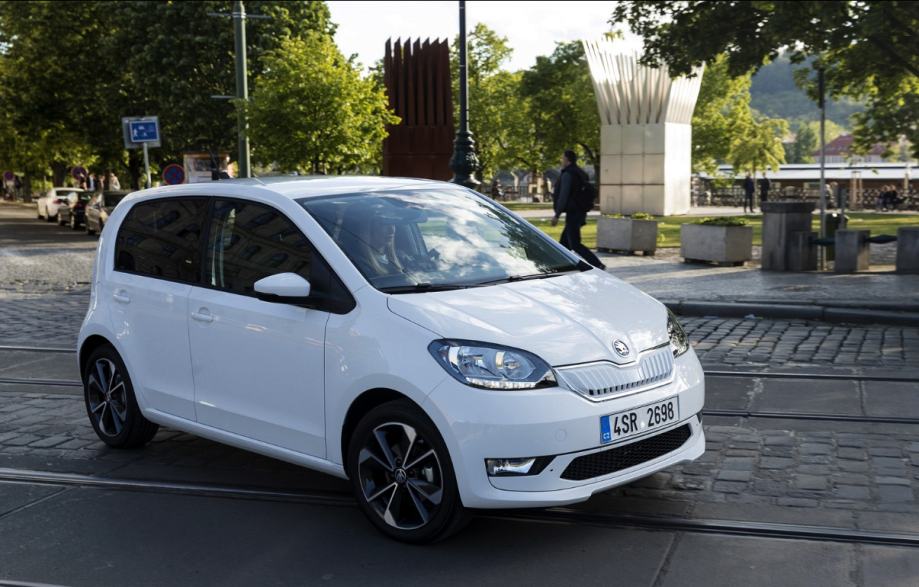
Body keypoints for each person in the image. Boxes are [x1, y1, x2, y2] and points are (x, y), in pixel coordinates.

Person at [551, 149, 605, 269]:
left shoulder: (568, 174)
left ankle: (598, 264)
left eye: (562, 158)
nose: (561, 160)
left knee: (575, 244)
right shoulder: (580, 172)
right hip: (580, 211)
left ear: (567, 159)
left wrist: (557, 215)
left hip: (574, 212)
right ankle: (560, 266)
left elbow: (564, 195)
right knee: (564, 244)